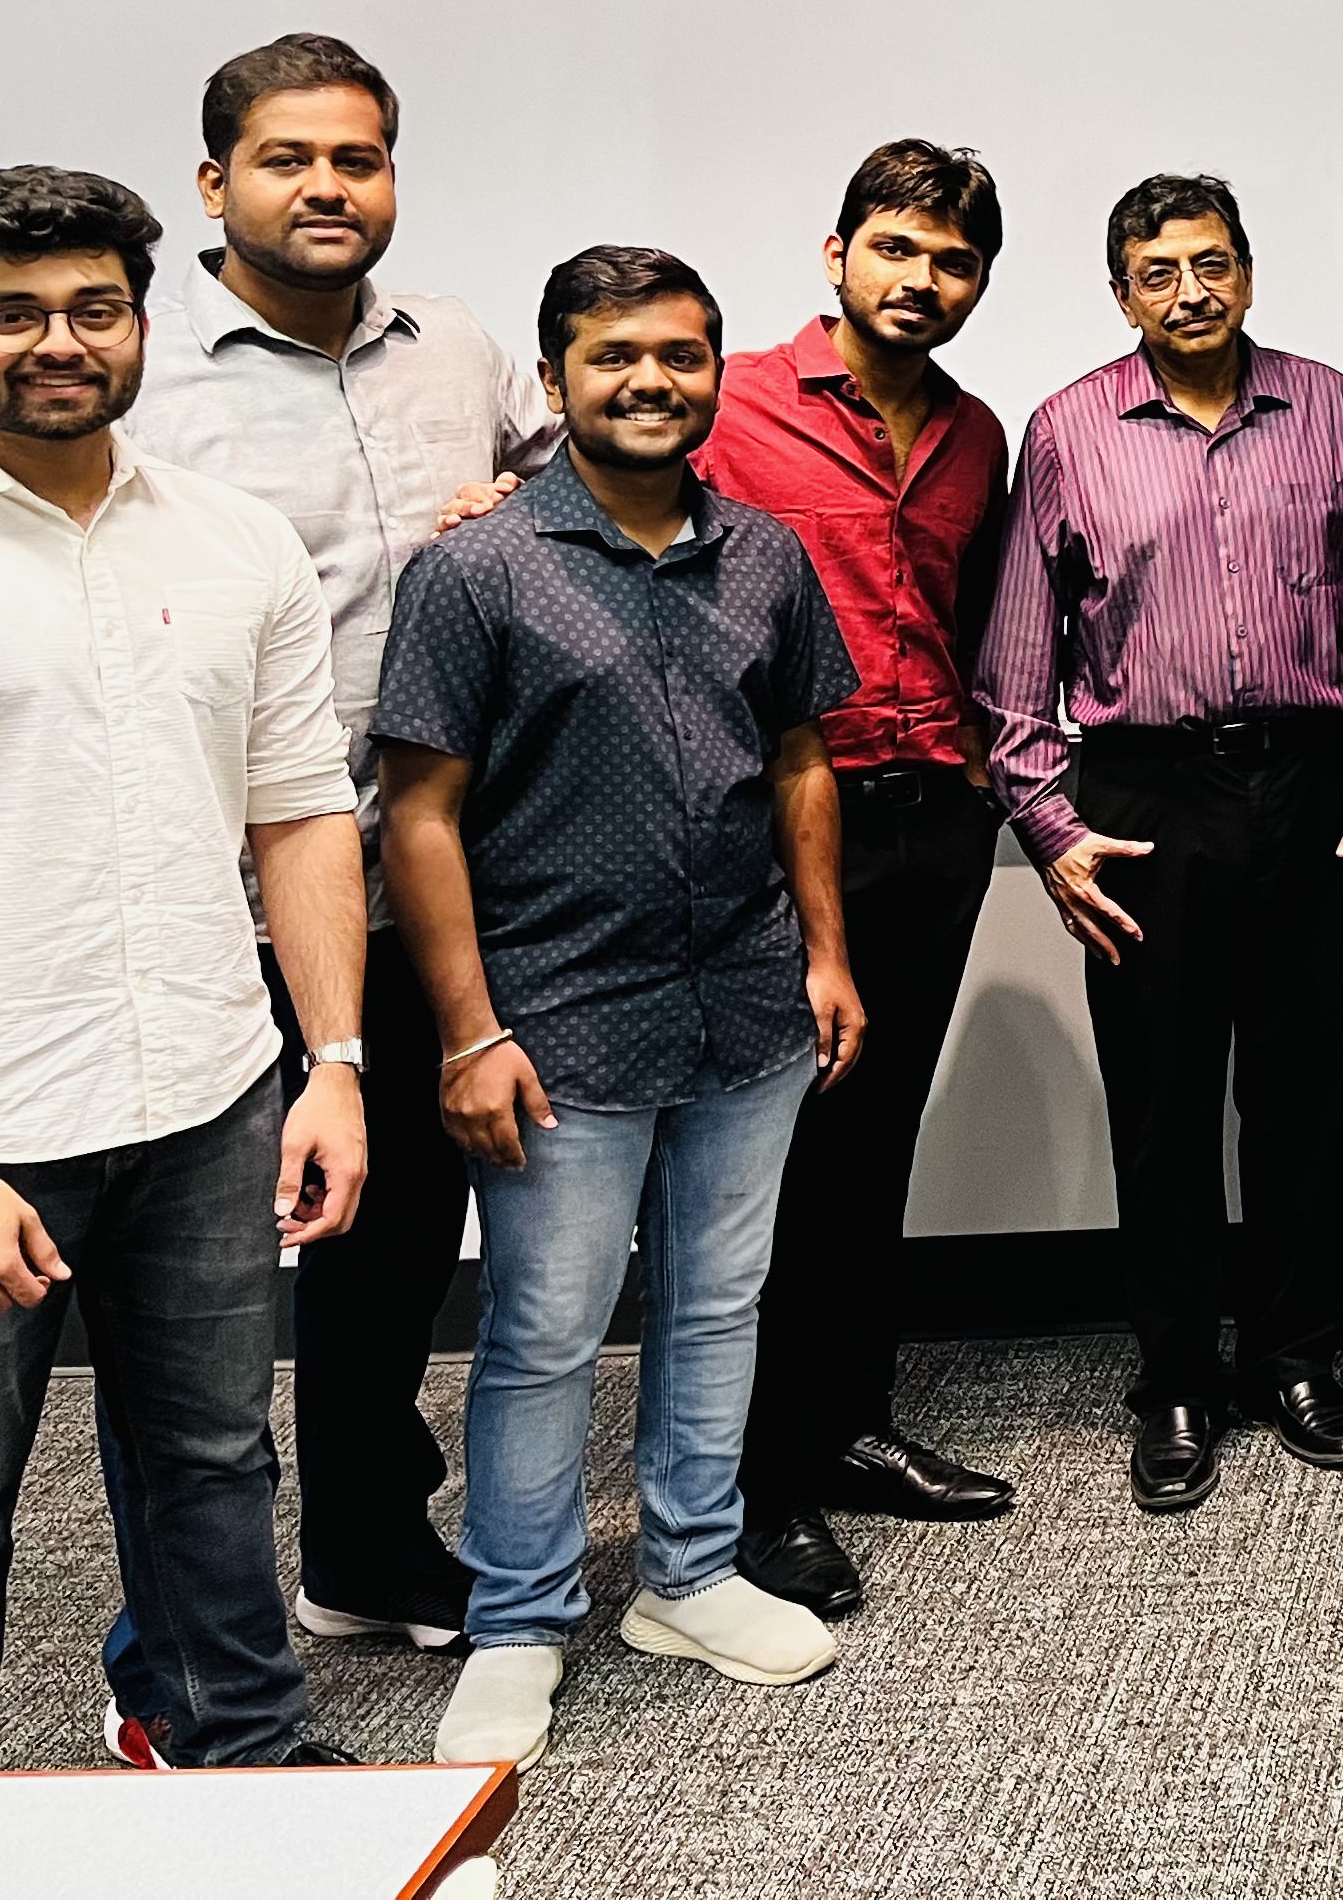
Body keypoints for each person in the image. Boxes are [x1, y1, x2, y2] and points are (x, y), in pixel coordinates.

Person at [0, 167, 367, 1770]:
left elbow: (301, 816)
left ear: (141, 322)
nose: (59, 341)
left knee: (214, 1462)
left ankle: (237, 1757)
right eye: (10, 315)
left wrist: (331, 1065)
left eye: (94, 308)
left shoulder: (235, 540)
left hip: (209, 1095)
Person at [377, 246, 868, 1768]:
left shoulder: (768, 559)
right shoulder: (476, 571)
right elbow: (420, 814)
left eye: (681, 352)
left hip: (746, 1002)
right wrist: (467, 1028)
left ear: (716, 371)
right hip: (560, 1017)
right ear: (555, 380)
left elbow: (798, 763)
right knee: (542, 1332)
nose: (652, 379)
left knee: (719, 1303)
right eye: (615, 356)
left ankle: (688, 1573)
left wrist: (828, 954)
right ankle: (519, 1619)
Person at [113, 33, 557, 1710]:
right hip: (234, 891)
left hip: (440, 864)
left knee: (391, 1233)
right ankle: (176, 1632)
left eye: (357, 157)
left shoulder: (453, 341)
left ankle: (364, 1543)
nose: (327, 186)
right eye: (289, 157)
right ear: (215, 179)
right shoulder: (157, 382)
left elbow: (557, 468)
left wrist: (509, 496)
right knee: (206, 1268)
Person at [974, 174, 1343, 1516]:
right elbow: (1014, 668)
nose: (1190, 290)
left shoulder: (1330, 407)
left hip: (1313, 785)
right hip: (1143, 800)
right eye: (1159, 270)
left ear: (1247, 270)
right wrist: (1053, 830)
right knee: (1165, 1107)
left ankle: (1295, 1358)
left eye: (1212, 262)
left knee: (1307, 1094)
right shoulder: (1067, 430)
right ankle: (1174, 1378)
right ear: (1122, 292)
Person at [698, 142, 1022, 1623]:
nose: (923, 281)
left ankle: (845, 1427)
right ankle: (747, 1492)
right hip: (779, 822)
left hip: (930, 821)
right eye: (898, 248)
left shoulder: (974, 439)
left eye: (953, 262)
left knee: (872, 1139)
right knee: (764, 1155)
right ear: (836, 253)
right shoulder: (731, 398)